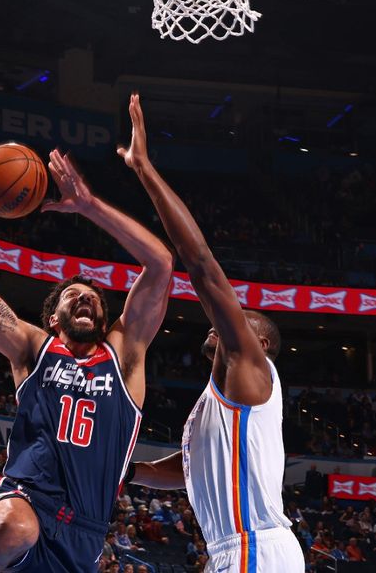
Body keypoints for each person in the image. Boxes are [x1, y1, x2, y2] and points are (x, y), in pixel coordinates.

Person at [0, 145, 172, 573]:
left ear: (105, 319)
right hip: (25, 496)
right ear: (53, 318)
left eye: (93, 296)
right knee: (16, 528)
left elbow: (160, 264)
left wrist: (89, 206)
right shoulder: (34, 348)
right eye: (73, 294)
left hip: (84, 533)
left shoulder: (124, 353)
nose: (85, 295)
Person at [119, 94, 303, 573]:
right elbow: (189, 468)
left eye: (244, 324)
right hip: (234, 548)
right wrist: (130, 474)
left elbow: (200, 264)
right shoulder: (219, 396)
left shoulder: (252, 367)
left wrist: (145, 170)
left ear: (260, 344)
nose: (224, 325)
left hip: (255, 547)